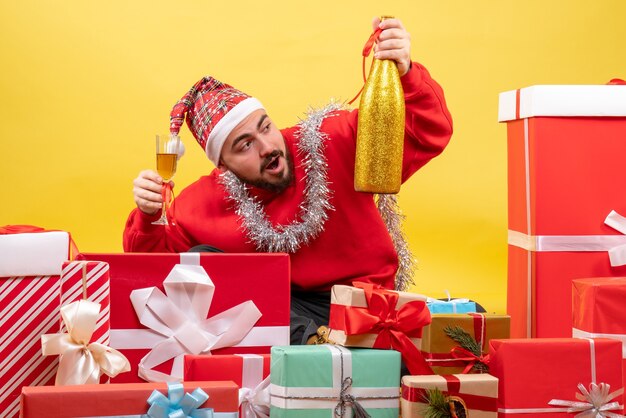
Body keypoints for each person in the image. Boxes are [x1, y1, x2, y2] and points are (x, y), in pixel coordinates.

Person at [124, 17, 453, 345]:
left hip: (357, 300)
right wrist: (149, 212)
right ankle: (313, 349)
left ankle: (323, 352)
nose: (267, 147)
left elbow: (426, 132)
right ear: (223, 164)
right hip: (276, 308)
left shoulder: (332, 140)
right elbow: (156, 270)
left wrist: (406, 72)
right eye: (245, 144)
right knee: (203, 261)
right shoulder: (201, 203)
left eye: (265, 127)